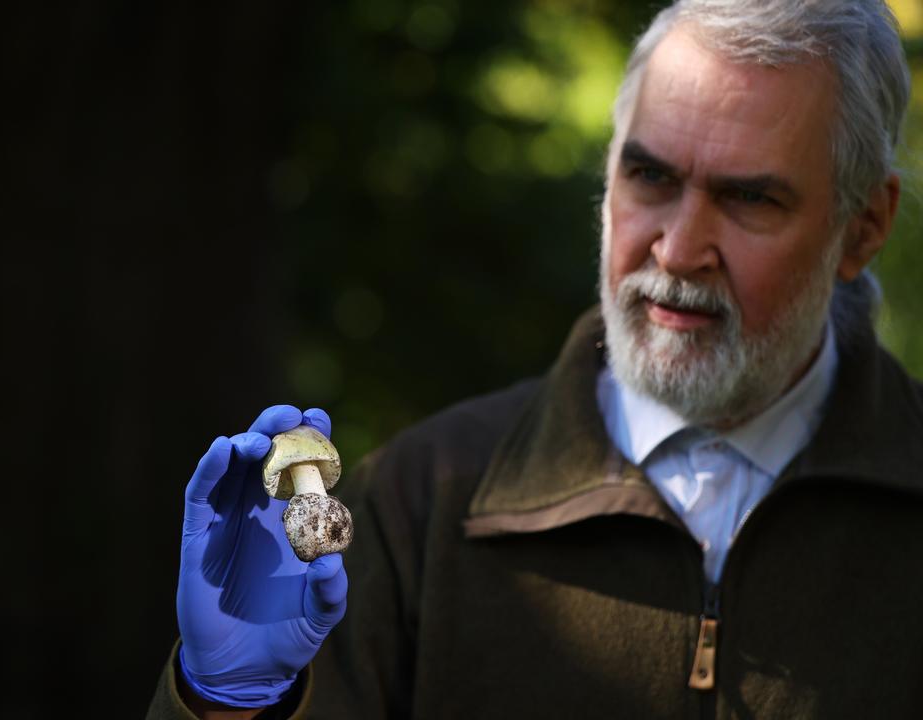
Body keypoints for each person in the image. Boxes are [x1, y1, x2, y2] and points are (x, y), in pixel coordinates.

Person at [149, 0, 923, 717]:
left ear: (862, 227)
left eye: (751, 199)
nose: (679, 250)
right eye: (650, 176)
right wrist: (229, 704)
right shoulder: (418, 507)